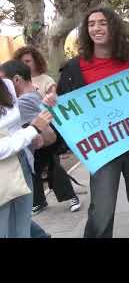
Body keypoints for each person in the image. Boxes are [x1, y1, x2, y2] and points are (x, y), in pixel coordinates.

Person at [46, 7, 129, 238]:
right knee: (102, 210)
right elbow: (64, 106)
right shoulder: (73, 68)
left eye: (102, 23)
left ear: (113, 27)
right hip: (101, 150)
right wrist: (52, 101)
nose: (96, 28)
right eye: (91, 24)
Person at [13, 46, 82, 215]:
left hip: (48, 130)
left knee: (53, 165)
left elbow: (55, 100)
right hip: (28, 133)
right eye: (22, 62)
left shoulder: (45, 80)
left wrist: (48, 99)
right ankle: (39, 201)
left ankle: (71, 196)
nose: (25, 64)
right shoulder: (13, 83)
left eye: (28, 61)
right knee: (34, 167)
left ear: (36, 61)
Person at [0, 59, 58, 238]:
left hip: (21, 163)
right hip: (5, 170)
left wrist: (29, 133)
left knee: (21, 229)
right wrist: (32, 130)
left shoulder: (7, 85)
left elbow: (14, 124)